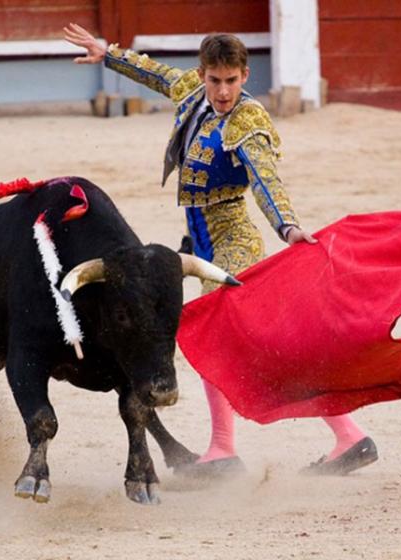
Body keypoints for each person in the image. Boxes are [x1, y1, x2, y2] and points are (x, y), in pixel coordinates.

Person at [63, 23, 378, 477]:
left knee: (226, 339)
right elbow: (156, 74)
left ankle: (227, 449)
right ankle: (347, 436)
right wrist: (106, 53)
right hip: (201, 240)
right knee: (267, 345)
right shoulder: (194, 93)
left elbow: (266, 178)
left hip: (233, 238)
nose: (224, 90)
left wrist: (287, 227)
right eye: (215, 80)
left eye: (232, 81)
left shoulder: (248, 121)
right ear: (204, 74)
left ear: (245, 76)